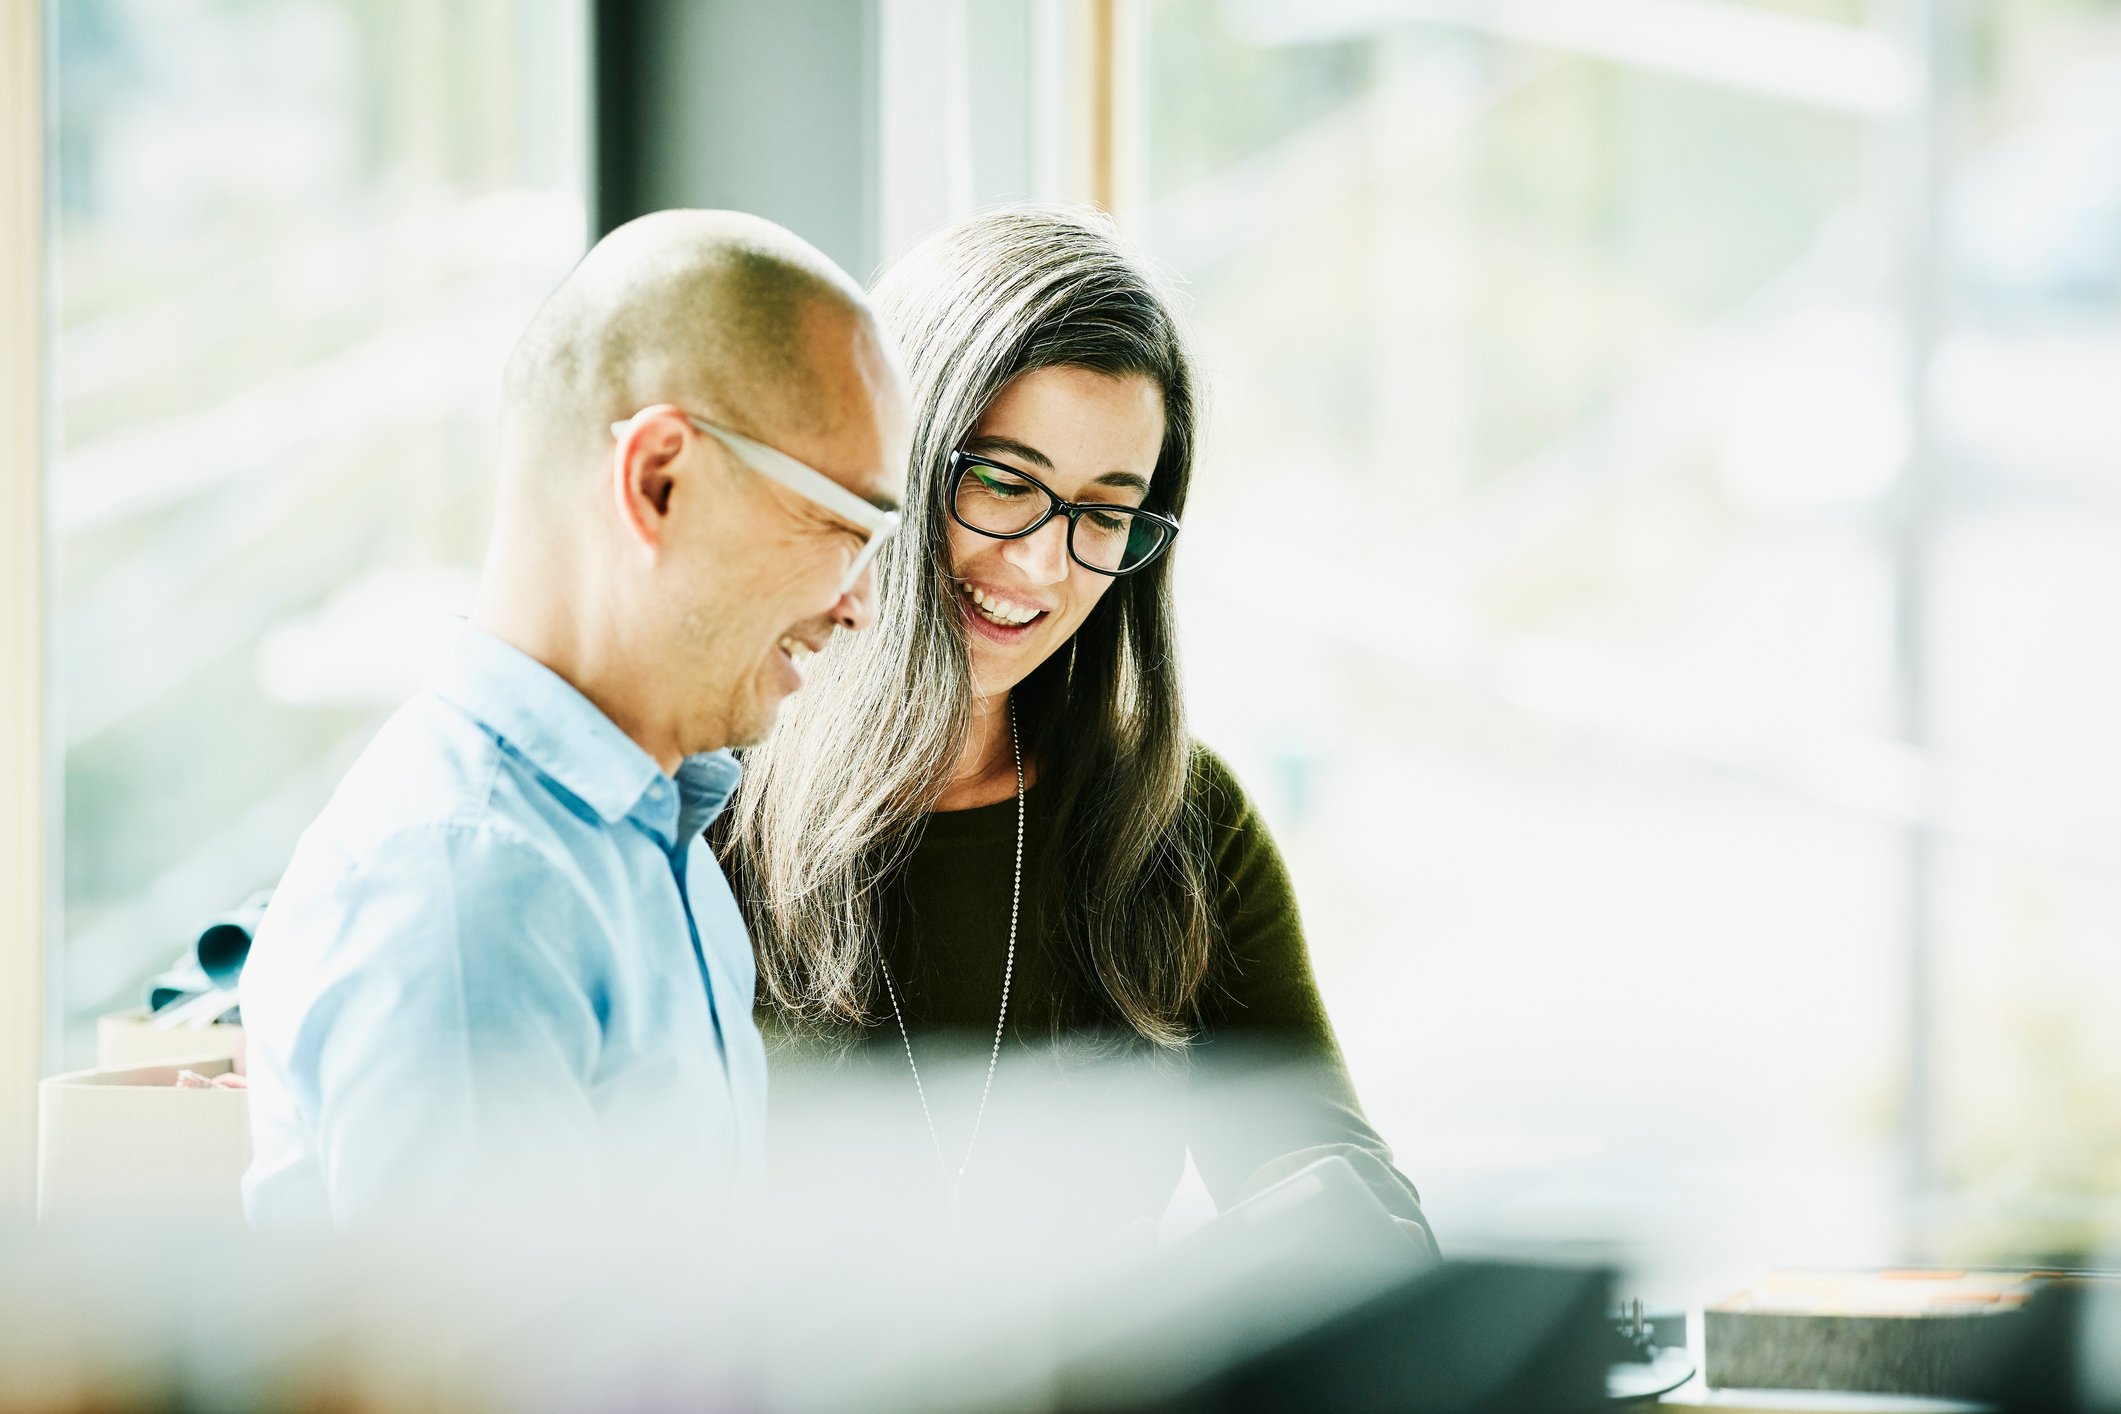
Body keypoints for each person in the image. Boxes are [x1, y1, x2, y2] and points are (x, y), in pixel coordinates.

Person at [723, 205, 1434, 1249]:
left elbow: (1362, 1216)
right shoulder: (700, 805)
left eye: (1105, 513)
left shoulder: (1175, 819)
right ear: (893, 461)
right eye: (1006, 482)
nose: (1045, 568)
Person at [240, 210, 910, 1226]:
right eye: (840, 527)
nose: (860, 601)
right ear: (659, 481)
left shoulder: (651, 842)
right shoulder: (473, 890)